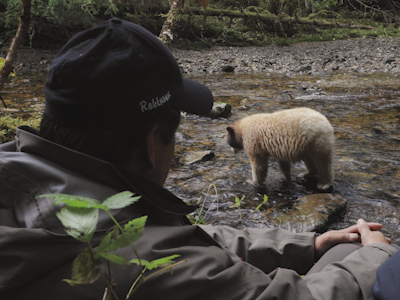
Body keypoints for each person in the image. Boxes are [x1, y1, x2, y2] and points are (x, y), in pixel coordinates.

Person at [0, 18, 396, 300]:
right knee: (352, 259)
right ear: (153, 144)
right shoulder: (141, 265)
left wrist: (304, 245)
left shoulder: (23, 182)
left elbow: (169, 239)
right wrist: (377, 256)